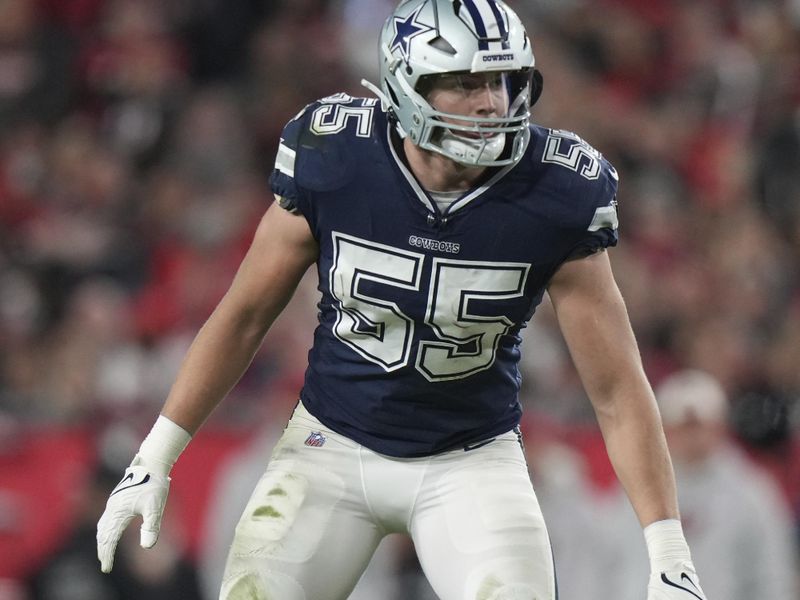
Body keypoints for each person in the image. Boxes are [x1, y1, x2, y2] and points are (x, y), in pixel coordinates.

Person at [96, 1, 709, 598]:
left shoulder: (556, 191)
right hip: (329, 445)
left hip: (471, 460)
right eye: (465, 83)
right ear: (406, 87)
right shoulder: (337, 157)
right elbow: (244, 315)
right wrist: (155, 455)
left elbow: (616, 386)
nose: (491, 102)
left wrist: (668, 549)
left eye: (500, 80)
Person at [605, 369, 799, 600]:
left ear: (720, 427)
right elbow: (610, 566)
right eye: (683, 426)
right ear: (663, 428)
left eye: (699, 426)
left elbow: (772, 574)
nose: (692, 438)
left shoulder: (751, 494)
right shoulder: (633, 489)